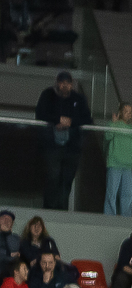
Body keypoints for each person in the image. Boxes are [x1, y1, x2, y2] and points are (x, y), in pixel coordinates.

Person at [36, 71, 90, 209]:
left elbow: (87, 119)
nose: (65, 85)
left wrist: (70, 122)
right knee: (52, 177)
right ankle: (49, 209)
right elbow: (40, 114)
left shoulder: (79, 98)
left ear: (72, 84)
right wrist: (58, 120)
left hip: (72, 147)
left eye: (68, 83)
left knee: (67, 179)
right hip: (52, 145)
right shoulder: (48, 94)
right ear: (57, 83)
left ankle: (62, 210)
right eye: (62, 82)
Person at [103, 103, 132, 216]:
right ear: (120, 113)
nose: (129, 114)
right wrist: (113, 124)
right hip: (114, 163)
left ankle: (126, 218)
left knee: (127, 195)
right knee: (112, 193)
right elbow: (108, 136)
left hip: (128, 166)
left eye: (130, 112)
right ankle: (109, 217)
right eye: (126, 111)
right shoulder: (114, 124)